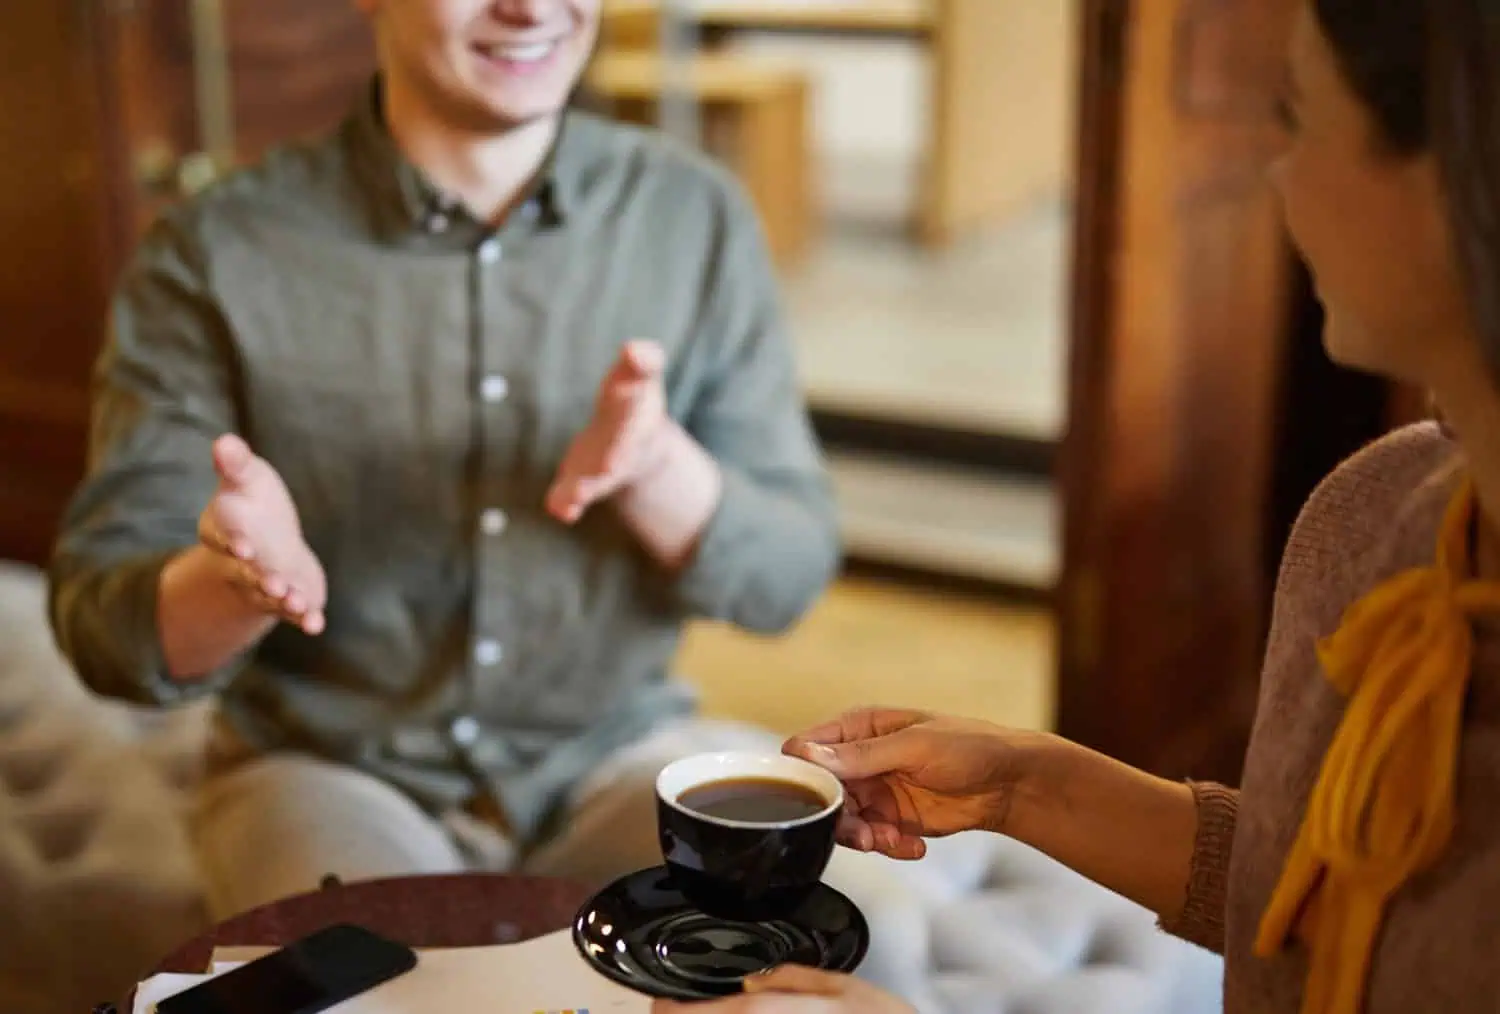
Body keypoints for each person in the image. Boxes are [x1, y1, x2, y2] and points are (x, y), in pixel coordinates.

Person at [661, 1, 1500, 1012]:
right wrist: (1025, 782)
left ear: (1455, 172)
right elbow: (1330, 891)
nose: (1277, 172)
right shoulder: (1378, 517)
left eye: (1301, 116)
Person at [47, 0, 840, 919]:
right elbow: (102, 630)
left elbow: (787, 578)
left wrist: (657, 468)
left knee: (838, 954)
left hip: (617, 755)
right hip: (326, 770)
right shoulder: (212, 251)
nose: (532, 8)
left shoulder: (693, 217)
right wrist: (236, 584)